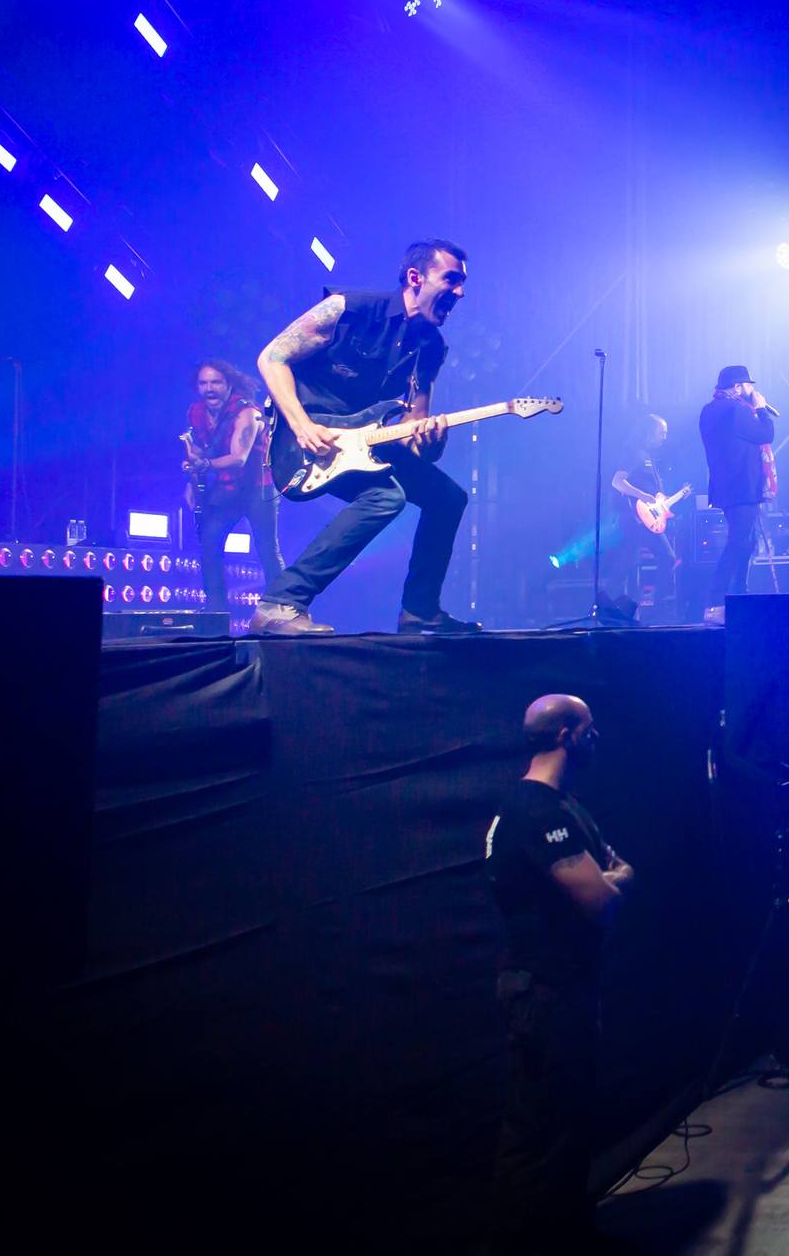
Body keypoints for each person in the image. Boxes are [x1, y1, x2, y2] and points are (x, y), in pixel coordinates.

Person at [250, 239, 476, 636]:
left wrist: (433, 439)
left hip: (364, 440)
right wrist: (302, 426)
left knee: (448, 497)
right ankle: (280, 602)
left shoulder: (431, 348)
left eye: (462, 284)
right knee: (386, 496)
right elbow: (272, 357)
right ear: (415, 278)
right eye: (451, 280)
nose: (459, 292)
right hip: (305, 436)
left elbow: (413, 433)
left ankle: (419, 611)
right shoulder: (349, 309)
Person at [484, 695, 633, 1255]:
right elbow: (604, 900)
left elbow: (603, 878)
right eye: (591, 729)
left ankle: (571, 1236)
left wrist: (612, 876)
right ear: (567, 735)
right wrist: (624, 878)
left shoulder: (561, 806)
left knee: (565, 1126)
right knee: (540, 1133)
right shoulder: (535, 813)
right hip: (543, 992)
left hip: (561, 988)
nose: (599, 739)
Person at [181, 359, 283, 623]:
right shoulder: (196, 412)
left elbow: (238, 458)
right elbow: (204, 453)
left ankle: (283, 607)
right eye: (203, 383)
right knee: (210, 542)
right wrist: (193, 478)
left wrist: (203, 465)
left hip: (259, 488)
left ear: (228, 385)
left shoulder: (246, 413)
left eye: (215, 382)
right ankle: (216, 610)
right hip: (227, 487)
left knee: (266, 548)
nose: (209, 388)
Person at [697, 365, 775, 621]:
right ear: (738, 387)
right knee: (737, 543)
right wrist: (761, 408)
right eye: (749, 385)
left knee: (746, 542)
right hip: (742, 488)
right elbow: (766, 433)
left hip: (726, 488)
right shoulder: (736, 411)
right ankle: (715, 602)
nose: (753, 390)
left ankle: (739, 595)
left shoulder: (709, 411)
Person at [608, 413, 682, 622]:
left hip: (647, 519)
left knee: (661, 559)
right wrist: (643, 495)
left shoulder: (648, 457)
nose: (664, 437)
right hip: (633, 518)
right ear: (648, 432)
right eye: (662, 432)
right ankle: (610, 603)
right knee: (629, 562)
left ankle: (651, 606)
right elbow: (617, 482)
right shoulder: (632, 453)